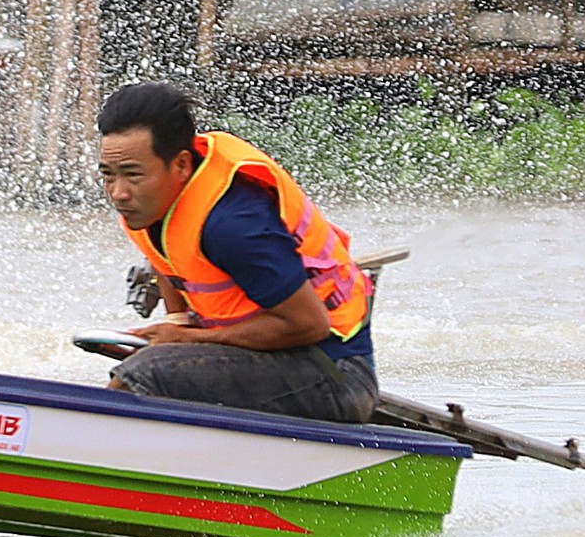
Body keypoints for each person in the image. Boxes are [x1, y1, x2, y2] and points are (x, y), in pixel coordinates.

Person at [95, 81, 378, 424]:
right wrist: (176, 327)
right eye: (108, 176)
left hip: (332, 372)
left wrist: (189, 340)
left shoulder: (233, 226)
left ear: (181, 165)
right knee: (148, 361)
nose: (118, 193)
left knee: (143, 373)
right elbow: (169, 258)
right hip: (275, 357)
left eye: (132, 175)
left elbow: (309, 325)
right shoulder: (148, 204)